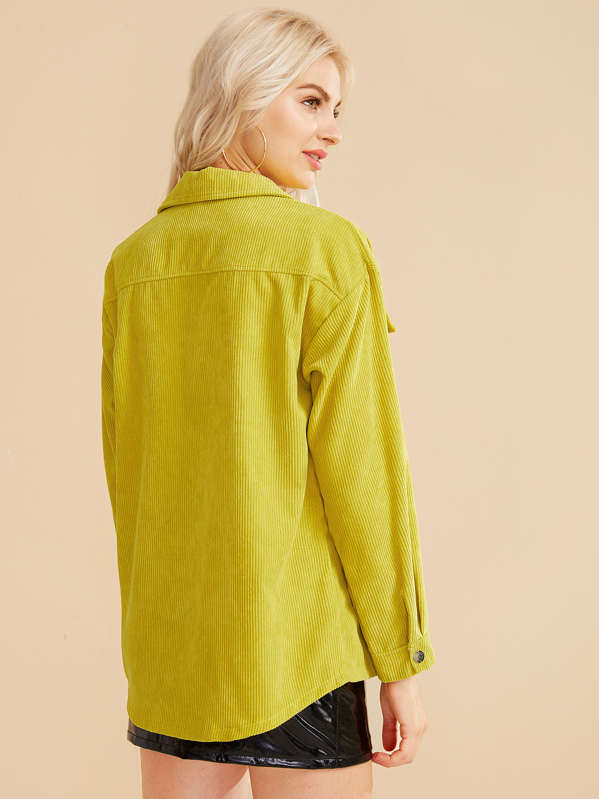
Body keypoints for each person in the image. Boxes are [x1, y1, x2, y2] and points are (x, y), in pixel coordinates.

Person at [100, 8, 436, 799]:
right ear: (240, 93)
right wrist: (401, 662)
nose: (332, 131)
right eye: (310, 101)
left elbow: (127, 474)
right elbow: (364, 474)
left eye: (336, 108)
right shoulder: (324, 248)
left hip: (173, 657)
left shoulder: (132, 263)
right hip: (299, 652)